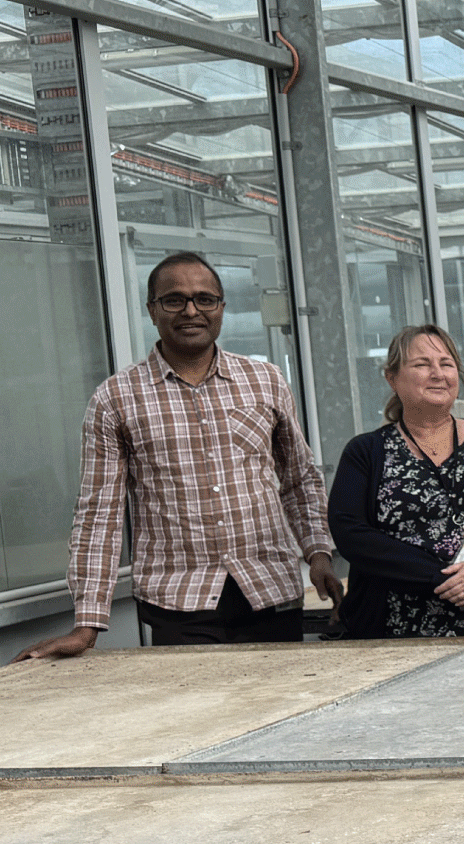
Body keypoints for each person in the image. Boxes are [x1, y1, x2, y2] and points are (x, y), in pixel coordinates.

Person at [12, 252, 342, 661]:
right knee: (202, 716)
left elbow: (299, 479)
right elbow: (100, 514)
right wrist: (88, 623)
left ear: (221, 307)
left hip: (270, 587)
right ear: (152, 310)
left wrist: (319, 554)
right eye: (174, 300)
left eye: (205, 299)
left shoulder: (266, 381)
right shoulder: (116, 398)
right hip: (179, 600)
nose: (191, 311)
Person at [329, 325, 464, 638]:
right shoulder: (366, 452)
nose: (437, 373)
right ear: (391, 378)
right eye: (421, 364)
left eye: (446, 364)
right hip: (394, 631)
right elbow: (351, 532)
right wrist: (443, 578)